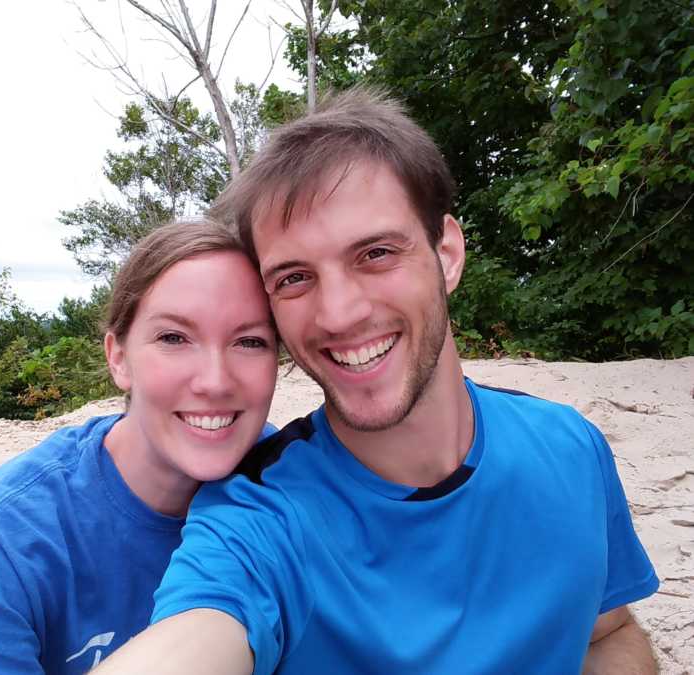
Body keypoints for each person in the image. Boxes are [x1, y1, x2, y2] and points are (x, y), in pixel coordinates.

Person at [94, 89, 659, 674]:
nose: (338, 314)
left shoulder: (569, 447)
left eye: (376, 253)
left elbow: (605, 630)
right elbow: (199, 634)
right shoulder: (259, 512)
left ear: (447, 254)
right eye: (293, 278)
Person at [0, 220, 279, 674]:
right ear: (119, 358)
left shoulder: (293, 486)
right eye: (173, 338)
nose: (215, 381)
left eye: (250, 341)